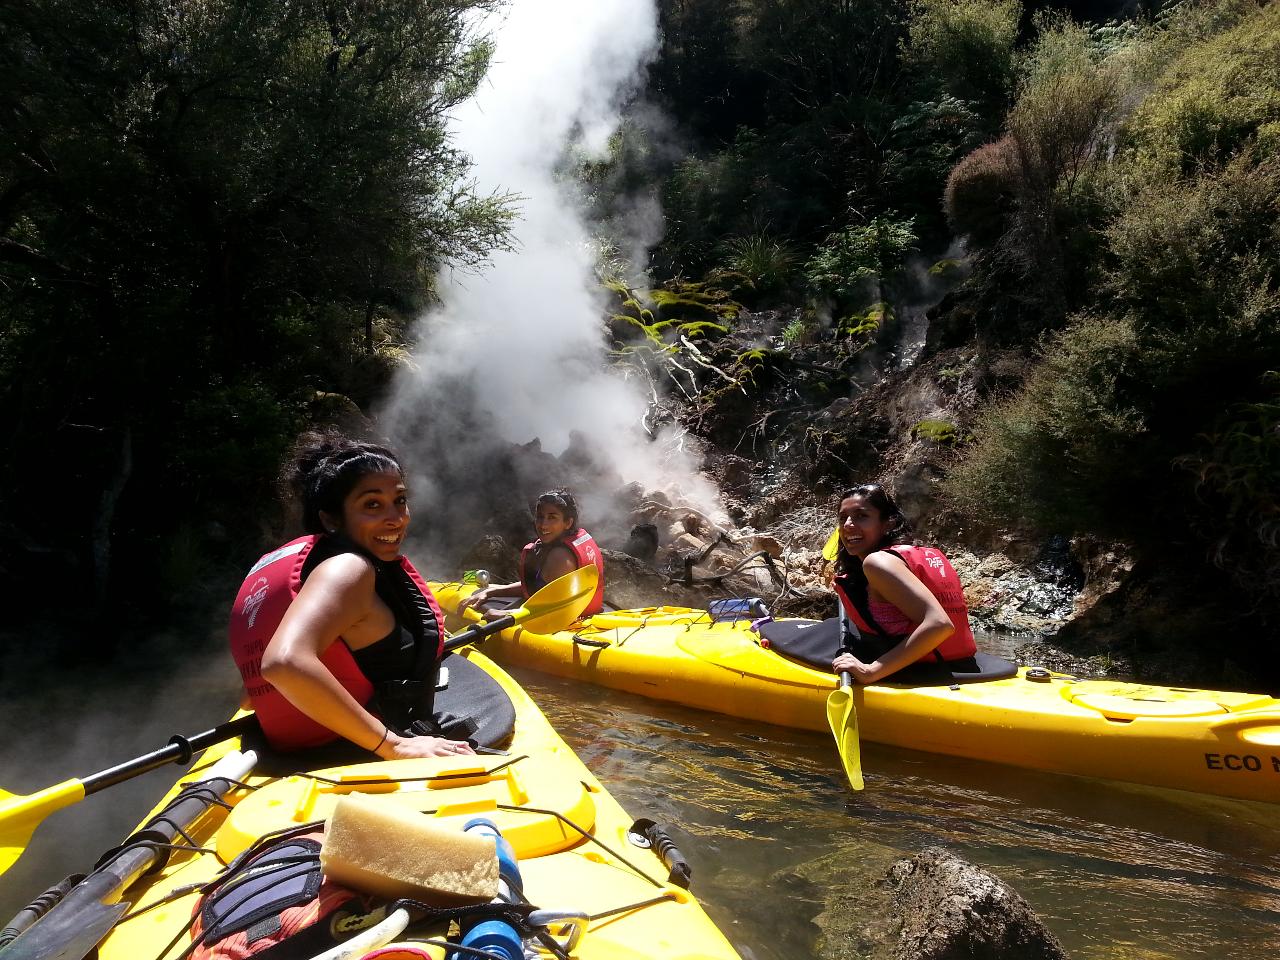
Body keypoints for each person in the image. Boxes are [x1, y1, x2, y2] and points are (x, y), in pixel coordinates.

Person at [228, 430, 475, 758]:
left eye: (399, 501)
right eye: (372, 504)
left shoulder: (316, 571)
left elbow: (250, 698)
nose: (395, 518)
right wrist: (396, 745)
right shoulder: (348, 569)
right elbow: (283, 663)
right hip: (358, 752)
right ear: (331, 518)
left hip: (301, 755)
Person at [829, 483, 978, 684]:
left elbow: (940, 625)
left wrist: (871, 671)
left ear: (888, 524)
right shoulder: (918, 554)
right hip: (964, 666)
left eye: (861, 516)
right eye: (843, 517)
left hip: (925, 674)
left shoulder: (878, 562)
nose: (847, 524)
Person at [459, 489, 605, 619]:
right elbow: (536, 588)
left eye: (552, 517)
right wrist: (492, 591)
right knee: (483, 587)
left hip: (568, 624)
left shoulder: (560, 557)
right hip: (586, 614)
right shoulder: (564, 543)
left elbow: (555, 609)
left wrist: (505, 614)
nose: (543, 524)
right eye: (540, 516)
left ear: (568, 523)